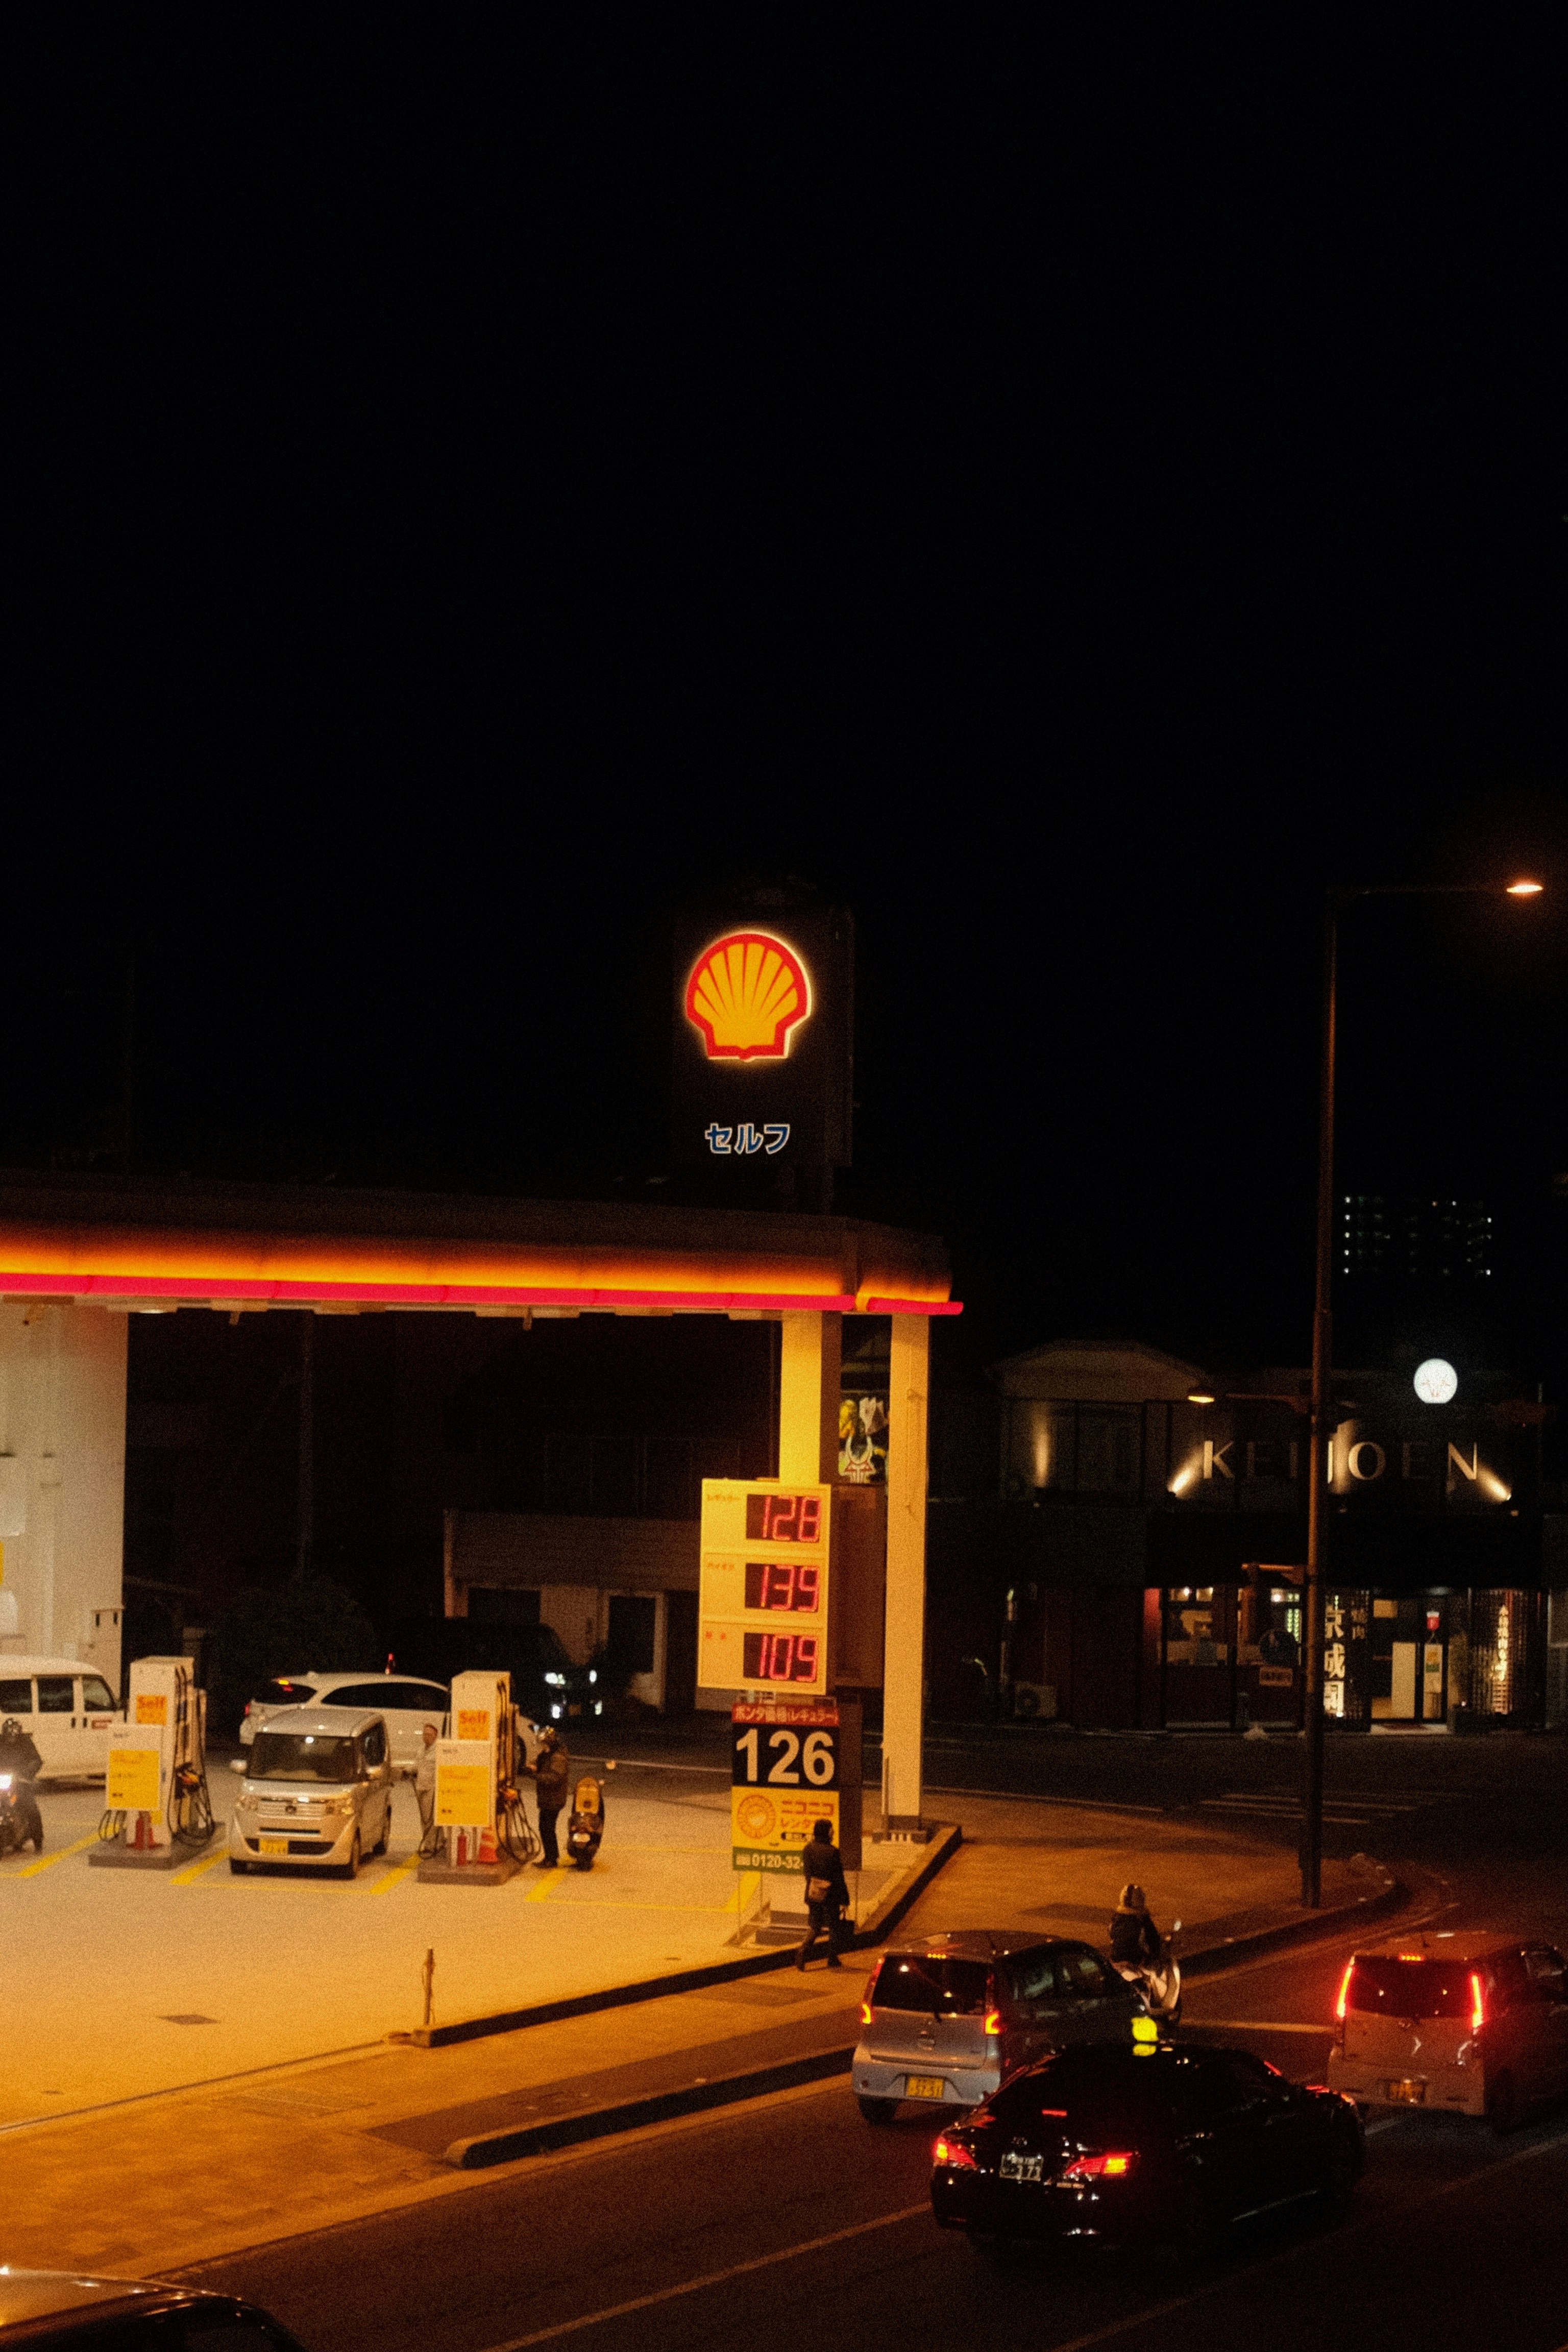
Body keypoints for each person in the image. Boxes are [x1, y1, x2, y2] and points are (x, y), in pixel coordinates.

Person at [795, 1817, 850, 1970]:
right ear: (826, 1832)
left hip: (814, 1893)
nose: (833, 1831)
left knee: (815, 1926)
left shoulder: (808, 1849)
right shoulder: (833, 1852)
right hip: (831, 1895)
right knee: (834, 1926)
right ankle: (832, 1958)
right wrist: (845, 1897)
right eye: (831, 1829)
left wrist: (816, 1887)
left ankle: (803, 1950)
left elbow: (807, 1873)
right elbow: (839, 1877)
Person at [529, 1724, 569, 1867]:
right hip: (548, 1798)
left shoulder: (558, 1757)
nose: (542, 1746)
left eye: (544, 1743)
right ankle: (551, 1857)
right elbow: (540, 1763)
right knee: (546, 1827)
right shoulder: (548, 1754)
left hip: (553, 1799)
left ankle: (551, 1859)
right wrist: (534, 1766)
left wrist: (536, 1776)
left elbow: (554, 1778)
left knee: (547, 1828)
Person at [1109, 1882, 1162, 1968]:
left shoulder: (1116, 1918)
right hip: (1136, 1962)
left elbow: (1112, 1935)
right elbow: (1153, 1940)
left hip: (1116, 1961)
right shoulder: (1142, 1919)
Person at [413, 1722, 439, 1854]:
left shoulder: (438, 1751)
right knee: (424, 1818)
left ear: (436, 1736)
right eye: (425, 1734)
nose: (426, 1737)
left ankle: (431, 1845)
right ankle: (431, 1842)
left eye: (429, 1734)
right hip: (421, 1787)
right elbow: (416, 1766)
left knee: (431, 1819)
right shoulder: (421, 1750)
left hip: (432, 1788)